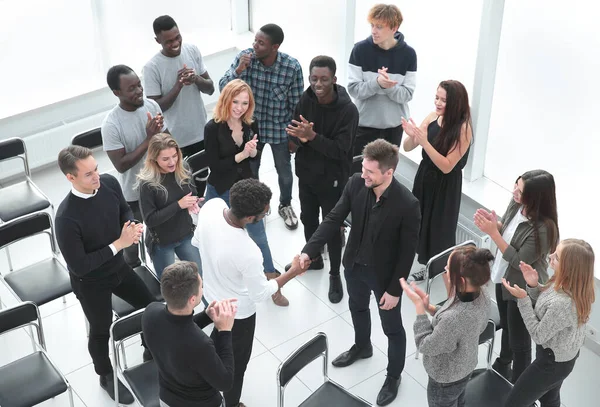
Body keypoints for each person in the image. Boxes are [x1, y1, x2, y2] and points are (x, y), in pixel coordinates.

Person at [298, 139, 421, 406]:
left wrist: (394, 290)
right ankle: (362, 346)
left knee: (392, 329)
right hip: (353, 265)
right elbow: (333, 218)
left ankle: (393, 376)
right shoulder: (355, 182)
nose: (363, 174)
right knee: (357, 308)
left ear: (389, 172)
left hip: (385, 277)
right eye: (363, 168)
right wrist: (309, 250)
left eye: (370, 172)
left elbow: (406, 252)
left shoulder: (407, 204)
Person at [193, 178, 308, 407]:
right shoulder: (248, 251)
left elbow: (197, 243)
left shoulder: (212, 206)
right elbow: (260, 294)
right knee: (235, 367)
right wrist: (293, 272)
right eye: (264, 214)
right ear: (249, 218)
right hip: (239, 315)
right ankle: (232, 404)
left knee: (216, 344)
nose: (264, 218)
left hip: (212, 297)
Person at [54, 146, 155, 404]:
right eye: (88, 174)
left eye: (96, 169)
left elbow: (124, 210)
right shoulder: (66, 218)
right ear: (71, 178)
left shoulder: (109, 183)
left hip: (118, 269)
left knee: (151, 306)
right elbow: (80, 266)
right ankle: (105, 375)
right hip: (91, 282)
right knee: (100, 330)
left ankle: (151, 350)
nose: (96, 176)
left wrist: (130, 226)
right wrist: (119, 244)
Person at [203, 79, 287, 306]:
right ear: (226, 100)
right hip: (220, 188)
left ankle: (271, 281)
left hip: (247, 188)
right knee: (214, 234)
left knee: (259, 237)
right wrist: (241, 155)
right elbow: (215, 165)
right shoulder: (213, 128)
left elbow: (256, 158)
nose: (239, 107)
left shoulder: (252, 124)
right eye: (235, 102)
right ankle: (216, 283)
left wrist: (252, 153)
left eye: (245, 103)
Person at [473, 170, 559, 383]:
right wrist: (497, 225)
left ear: (536, 197)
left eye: (520, 191)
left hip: (522, 288)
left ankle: (518, 386)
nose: (514, 192)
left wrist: (493, 232)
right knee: (508, 324)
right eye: (515, 185)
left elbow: (520, 259)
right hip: (503, 277)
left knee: (520, 342)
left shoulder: (545, 229)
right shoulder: (516, 205)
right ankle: (503, 362)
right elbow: (510, 234)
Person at [286, 55, 359, 304]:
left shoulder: (348, 110)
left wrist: (312, 137)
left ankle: (335, 273)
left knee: (332, 230)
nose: (318, 83)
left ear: (334, 80)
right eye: (314, 78)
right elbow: (297, 132)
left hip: (333, 181)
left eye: (324, 79)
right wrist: (297, 139)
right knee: (308, 219)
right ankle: (313, 259)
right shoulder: (305, 99)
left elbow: (341, 150)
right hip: (306, 175)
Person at [219, 23, 303, 231]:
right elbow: (223, 88)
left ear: (275, 47)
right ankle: (257, 207)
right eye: (255, 40)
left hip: (279, 130)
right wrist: (239, 70)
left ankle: (285, 204)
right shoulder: (245, 59)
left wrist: (295, 138)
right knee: (251, 170)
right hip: (251, 129)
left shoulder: (291, 67)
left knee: (284, 171)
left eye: (261, 43)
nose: (255, 45)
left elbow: (296, 105)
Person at [502, 239, 595, 407]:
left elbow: (538, 334)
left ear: (569, 267)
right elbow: (546, 306)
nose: (550, 256)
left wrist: (523, 300)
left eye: (557, 257)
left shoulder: (564, 303)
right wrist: (533, 285)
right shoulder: (564, 282)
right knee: (550, 400)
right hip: (563, 359)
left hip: (551, 363)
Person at [400, 246, 493, 407]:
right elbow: (460, 325)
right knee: (459, 401)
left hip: (446, 379)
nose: (445, 269)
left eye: (448, 268)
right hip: (466, 365)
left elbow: (425, 345)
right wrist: (431, 308)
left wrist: (419, 309)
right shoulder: (483, 293)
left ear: (461, 281)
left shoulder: (454, 319)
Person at [403, 80, 473, 281]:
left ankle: (447, 282)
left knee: (440, 235)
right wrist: (413, 136)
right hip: (425, 178)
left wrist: (424, 142)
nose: (438, 103)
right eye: (437, 98)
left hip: (445, 186)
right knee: (419, 224)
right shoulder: (433, 117)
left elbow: (446, 165)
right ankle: (428, 268)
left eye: (444, 100)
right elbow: (408, 147)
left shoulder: (463, 128)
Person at [142, 261, 237, 407]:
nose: (202, 288)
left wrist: (206, 316)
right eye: (201, 286)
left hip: (166, 399)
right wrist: (224, 331)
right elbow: (225, 382)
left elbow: (176, 328)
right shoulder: (200, 345)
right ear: (192, 299)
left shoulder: (150, 312)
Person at [101, 64, 168, 268]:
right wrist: (149, 139)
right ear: (117, 92)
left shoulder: (152, 106)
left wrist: (161, 138)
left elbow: (167, 141)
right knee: (130, 250)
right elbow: (121, 165)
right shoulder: (111, 125)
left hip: (160, 185)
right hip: (134, 195)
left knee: (163, 236)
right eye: (132, 88)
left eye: (139, 85)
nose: (139, 91)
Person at [348, 3, 417, 168]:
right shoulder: (359, 50)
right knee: (359, 174)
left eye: (379, 27)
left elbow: (407, 94)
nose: (373, 30)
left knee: (386, 175)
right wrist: (377, 83)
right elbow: (354, 89)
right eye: (372, 25)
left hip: (393, 129)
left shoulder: (409, 54)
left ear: (394, 28)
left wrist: (388, 86)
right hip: (363, 126)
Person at [143, 15, 214, 158]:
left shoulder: (192, 50)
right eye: (169, 41)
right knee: (182, 180)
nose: (176, 43)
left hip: (201, 132)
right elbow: (156, 108)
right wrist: (178, 85)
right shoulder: (151, 67)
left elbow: (211, 89)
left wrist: (196, 79)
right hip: (174, 140)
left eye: (178, 37)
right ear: (158, 41)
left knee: (202, 176)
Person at [136, 133, 202, 278]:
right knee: (172, 286)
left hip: (185, 233)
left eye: (174, 156)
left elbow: (192, 191)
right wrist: (179, 205)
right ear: (154, 159)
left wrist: (192, 202)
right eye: (165, 159)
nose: (172, 162)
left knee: (198, 278)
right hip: (162, 243)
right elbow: (150, 219)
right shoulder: (147, 183)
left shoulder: (182, 166)